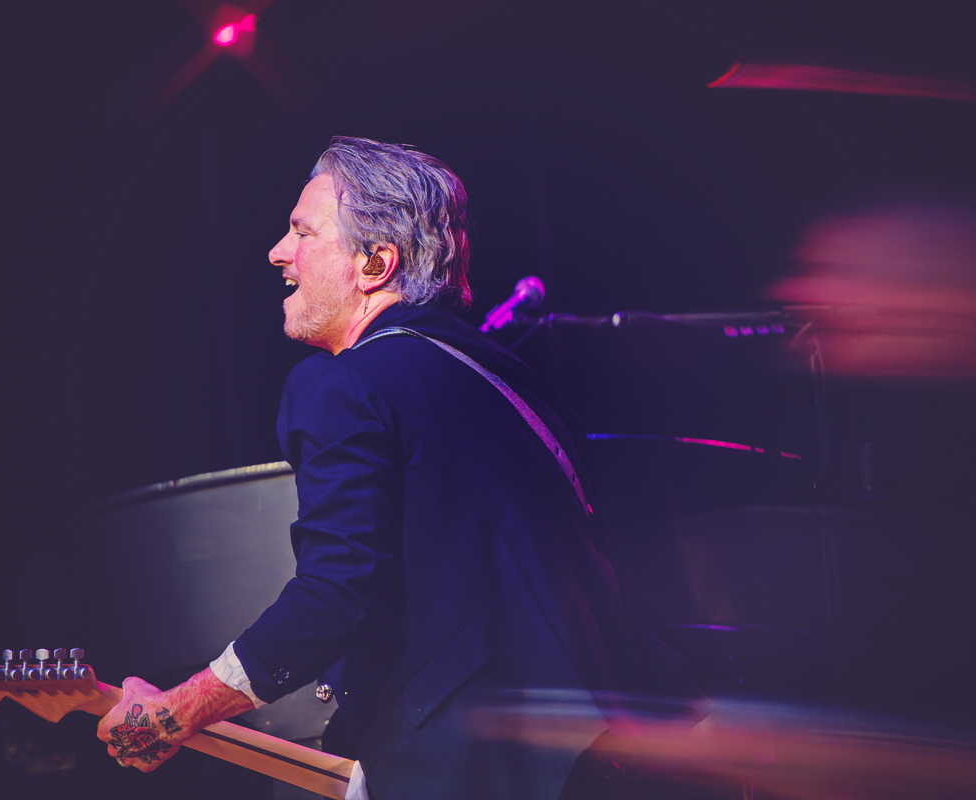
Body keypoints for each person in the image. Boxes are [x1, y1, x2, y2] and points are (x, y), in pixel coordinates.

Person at [97, 136, 701, 799]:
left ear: (375, 263)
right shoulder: (516, 381)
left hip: (473, 769)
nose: (277, 251)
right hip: (624, 745)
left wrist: (175, 710)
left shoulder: (343, 383)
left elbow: (334, 593)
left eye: (302, 231)